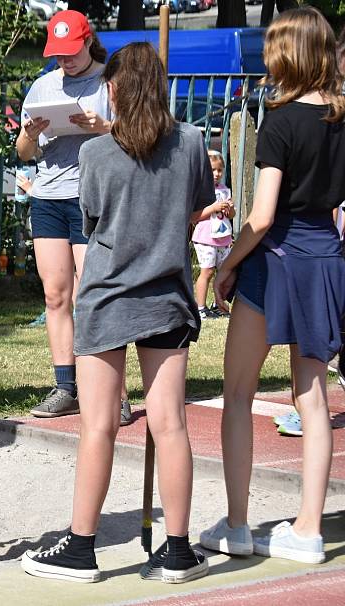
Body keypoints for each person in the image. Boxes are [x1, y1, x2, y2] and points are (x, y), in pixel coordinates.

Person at [21, 42, 213, 584]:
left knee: (98, 426)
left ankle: (82, 547)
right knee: (171, 424)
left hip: (106, 295)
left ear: (113, 90)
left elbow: (93, 218)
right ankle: (178, 548)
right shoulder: (194, 142)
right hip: (166, 294)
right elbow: (192, 208)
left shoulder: (95, 156)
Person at [200, 7, 345, 564]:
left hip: (276, 262)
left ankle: (237, 525)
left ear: (288, 53)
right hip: (325, 259)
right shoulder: (340, 118)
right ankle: (309, 528)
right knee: (313, 401)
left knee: (237, 394)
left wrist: (230, 264)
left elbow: (260, 218)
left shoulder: (280, 122)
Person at [16, 12, 130, 425]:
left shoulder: (110, 81)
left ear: (88, 42)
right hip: (48, 197)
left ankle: (113, 390)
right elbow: (24, 153)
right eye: (58, 55)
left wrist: (102, 127)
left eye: (71, 52)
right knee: (55, 296)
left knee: (93, 294)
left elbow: (136, 137)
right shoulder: (43, 86)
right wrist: (30, 133)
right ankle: (66, 386)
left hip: (92, 197)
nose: (65, 61)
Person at [192, 150, 235, 320]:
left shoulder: (225, 190)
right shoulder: (200, 190)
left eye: (219, 170)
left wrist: (230, 209)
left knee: (224, 272)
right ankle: (200, 307)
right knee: (207, 271)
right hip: (206, 238)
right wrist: (213, 208)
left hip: (223, 238)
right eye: (212, 170)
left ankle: (219, 304)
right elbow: (194, 216)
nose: (216, 174)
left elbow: (231, 215)